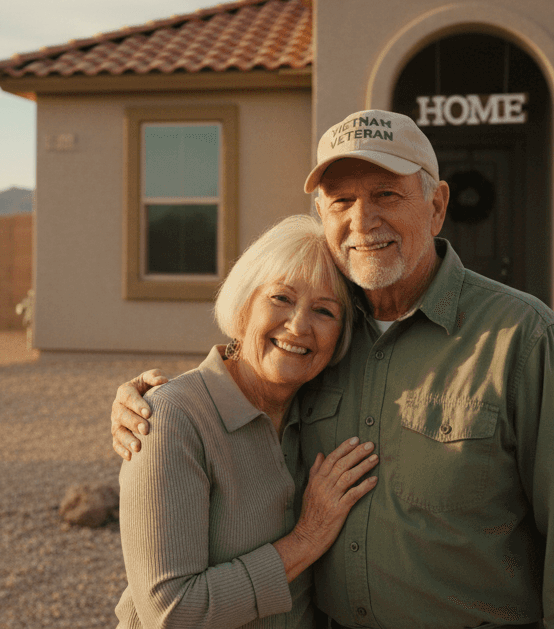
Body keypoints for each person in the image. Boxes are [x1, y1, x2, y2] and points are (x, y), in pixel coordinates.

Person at [113, 110, 554, 629]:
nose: (363, 220)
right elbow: (246, 379)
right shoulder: (323, 337)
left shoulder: (524, 338)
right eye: (342, 200)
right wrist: (154, 403)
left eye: (386, 194)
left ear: (437, 205)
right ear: (322, 213)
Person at [115, 214, 379, 629]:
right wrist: (306, 540)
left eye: (325, 311)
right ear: (243, 307)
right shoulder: (170, 419)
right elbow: (171, 612)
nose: (298, 325)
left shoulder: (319, 410)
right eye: (281, 298)